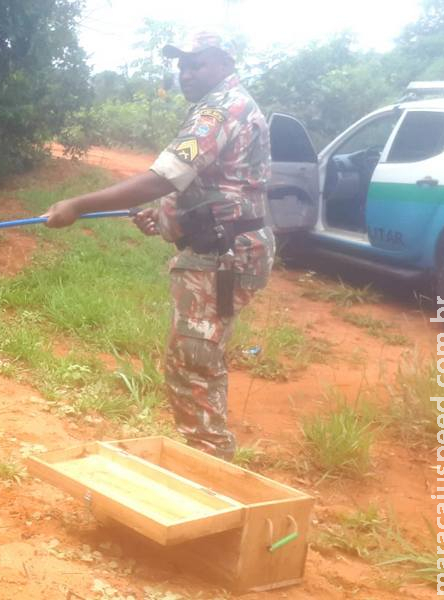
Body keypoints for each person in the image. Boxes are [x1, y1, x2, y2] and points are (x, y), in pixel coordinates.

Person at [43, 31, 274, 461]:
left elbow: (164, 176)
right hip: (220, 247)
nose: (186, 72)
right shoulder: (222, 106)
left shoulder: (219, 110)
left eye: (197, 63)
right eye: (181, 64)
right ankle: (206, 461)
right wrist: (167, 217)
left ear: (224, 62)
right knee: (194, 359)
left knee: (194, 362)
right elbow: (205, 185)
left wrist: (77, 204)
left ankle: (211, 472)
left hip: (221, 256)